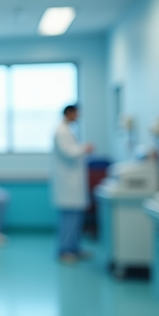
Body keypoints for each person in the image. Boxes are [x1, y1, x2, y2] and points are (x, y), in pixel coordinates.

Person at [52, 104, 94, 264]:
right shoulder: (61, 131)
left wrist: (82, 149)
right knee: (69, 219)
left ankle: (74, 248)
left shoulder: (68, 130)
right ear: (69, 113)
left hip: (73, 183)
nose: (78, 116)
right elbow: (69, 153)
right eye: (77, 113)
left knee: (75, 219)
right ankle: (65, 250)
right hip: (67, 183)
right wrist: (85, 148)